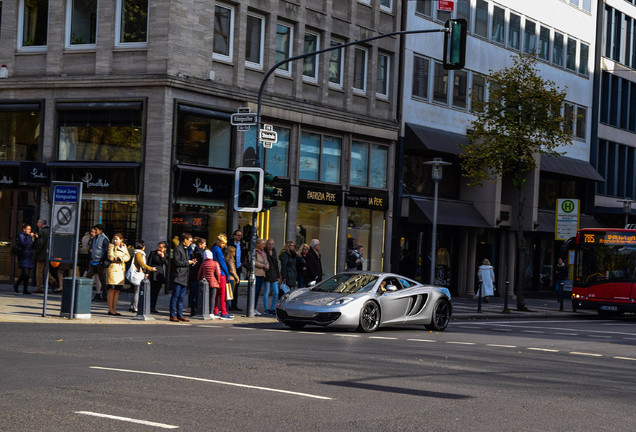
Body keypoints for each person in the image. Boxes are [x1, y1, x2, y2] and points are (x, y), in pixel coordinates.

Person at [171, 233, 196, 322]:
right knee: (175, 296)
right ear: (184, 240)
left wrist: (191, 261)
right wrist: (187, 262)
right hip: (178, 276)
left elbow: (184, 261)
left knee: (181, 297)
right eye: (189, 241)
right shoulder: (178, 249)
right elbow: (177, 262)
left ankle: (180, 314)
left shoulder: (186, 249)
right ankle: (172, 314)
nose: (190, 242)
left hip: (184, 276)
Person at [128, 240, 157, 313]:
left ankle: (132, 306)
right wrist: (150, 268)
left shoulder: (139, 253)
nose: (145, 247)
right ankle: (135, 307)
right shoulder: (138, 253)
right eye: (144, 246)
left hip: (138, 273)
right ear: (142, 246)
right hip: (138, 274)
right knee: (137, 291)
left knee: (136, 291)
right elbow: (142, 264)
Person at [106, 233, 131, 315]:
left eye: (117, 239)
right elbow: (111, 257)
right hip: (113, 269)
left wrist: (120, 258)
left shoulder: (124, 246)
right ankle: (110, 309)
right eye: (114, 239)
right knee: (111, 289)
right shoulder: (111, 246)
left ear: (121, 240)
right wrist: (119, 258)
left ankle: (114, 308)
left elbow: (128, 257)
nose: (115, 240)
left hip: (121, 270)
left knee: (117, 290)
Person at [86, 224, 110, 302]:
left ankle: (105, 296)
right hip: (93, 260)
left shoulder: (104, 239)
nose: (95, 231)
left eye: (96, 229)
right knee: (88, 276)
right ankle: (85, 293)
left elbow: (106, 250)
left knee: (102, 279)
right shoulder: (94, 238)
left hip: (100, 261)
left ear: (101, 230)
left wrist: (102, 261)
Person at [211, 233, 233, 320]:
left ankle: (215, 310)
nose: (224, 245)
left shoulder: (213, 249)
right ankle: (223, 312)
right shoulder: (218, 251)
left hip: (215, 273)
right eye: (223, 243)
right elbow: (222, 263)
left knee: (216, 293)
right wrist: (227, 273)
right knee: (223, 294)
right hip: (221, 274)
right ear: (218, 242)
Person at [198, 249, 222, 318]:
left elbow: (200, 273)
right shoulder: (215, 263)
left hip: (205, 282)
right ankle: (211, 312)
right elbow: (218, 273)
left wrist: (199, 279)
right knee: (212, 298)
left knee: (206, 298)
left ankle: (205, 311)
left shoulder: (203, 264)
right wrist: (218, 281)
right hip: (213, 282)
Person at [147, 241, 169, 313]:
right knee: (151, 291)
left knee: (156, 292)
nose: (159, 249)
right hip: (153, 273)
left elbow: (166, 264)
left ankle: (153, 307)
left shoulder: (165, 255)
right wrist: (147, 273)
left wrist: (162, 257)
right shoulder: (153, 253)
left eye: (161, 247)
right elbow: (149, 263)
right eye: (158, 247)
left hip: (160, 274)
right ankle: (148, 306)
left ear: (164, 248)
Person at [13, 223, 35, 295]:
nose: (29, 231)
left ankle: (17, 285)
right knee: (26, 274)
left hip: (29, 256)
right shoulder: (21, 235)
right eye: (28, 229)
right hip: (23, 256)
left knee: (25, 274)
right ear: (24, 229)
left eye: (30, 229)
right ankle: (24, 289)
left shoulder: (29, 237)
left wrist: (35, 239)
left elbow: (33, 246)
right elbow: (23, 243)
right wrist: (29, 237)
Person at [230, 229, 248, 311]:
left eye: (240, 235)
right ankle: (228, 305)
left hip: (238, 267)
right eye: (238, 235)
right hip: (231, 267)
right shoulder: (230, 243)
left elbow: (244, 255)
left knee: (236, 287)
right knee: (230, 286)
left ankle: (234, 305)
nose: (240, 237)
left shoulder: (242, 245)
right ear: (234, 235)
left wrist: (242, 263)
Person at [188, 237, 206, 316]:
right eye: (204, 244)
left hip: (193, 275)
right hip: (197, 275)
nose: (205, 245)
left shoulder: (194, 251)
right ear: (200, 244)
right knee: (195, 293)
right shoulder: (199, 252)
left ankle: (193, 308)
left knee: (193, 292)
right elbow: (201, 263)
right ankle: (194, 309)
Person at [263, 239, 281, 315]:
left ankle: (273, 308)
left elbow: (276, 263)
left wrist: (278, 275)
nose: (271, 246)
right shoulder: (264, 252)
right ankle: (266, 308)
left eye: (272, 244)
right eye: (269, 244)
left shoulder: (274, 252)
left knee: (276, 292)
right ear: (267, 245)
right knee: (266, 292)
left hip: (273, 273)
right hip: (267, 273)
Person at [33, 219, 50, 293]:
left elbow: (40, 243)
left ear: (41, 223)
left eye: (38, 223)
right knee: (45, 270)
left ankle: (39, 287)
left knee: (39, 271)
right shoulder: (49, 231)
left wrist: (36, 252)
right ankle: (53, 281)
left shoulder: (42, 231)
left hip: (41, 254)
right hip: (47, 254)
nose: (37, 224)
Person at [253, 238, 268, 315]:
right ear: (258, 245)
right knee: (254, 292)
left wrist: (267, 266)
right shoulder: (254, 252)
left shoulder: (263, 253)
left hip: (262, 274)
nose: (264, 246)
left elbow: (266, 261)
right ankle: (252, 308)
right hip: (256, 274)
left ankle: (255, 308)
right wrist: (262, 265)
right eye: (262, 244)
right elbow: (253, 261)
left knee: (258, 292)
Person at [225, 245, 240, 313]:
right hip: (230, 278)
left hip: (227, 278)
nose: (235, 253)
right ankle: (226, 310)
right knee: (229, 295)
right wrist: (237, 278)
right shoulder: (230, 260)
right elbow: (232, 270)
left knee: (227, 295)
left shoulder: (225, 259)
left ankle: (226, 309)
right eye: (234, 252)